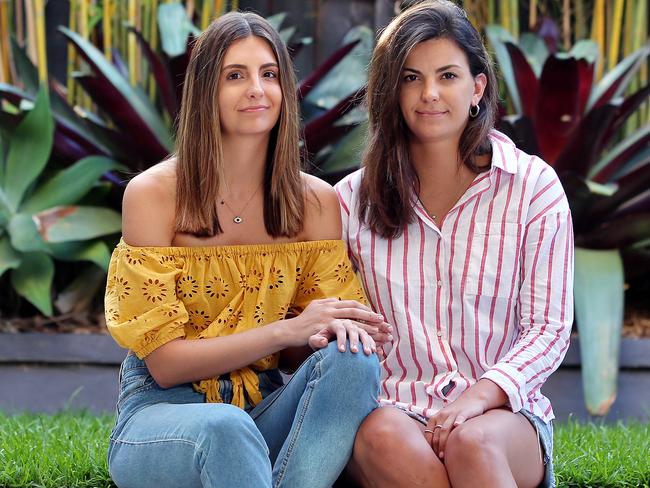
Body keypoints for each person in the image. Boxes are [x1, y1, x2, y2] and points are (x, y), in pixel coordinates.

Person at [104, 11, 391, 488]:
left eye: (269, 74)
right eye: (235, 75)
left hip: (267, 409)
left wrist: (327, 330)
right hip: (165, 416)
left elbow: (312, 349)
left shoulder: (314, 201)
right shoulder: (153, 194)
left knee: (354, 359)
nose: (257, 89)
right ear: (205, 93)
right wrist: (287, 331)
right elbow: (166, 363)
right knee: (226, 428)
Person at [335, 2, 573, 487]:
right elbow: (339, 324)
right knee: (379, 434)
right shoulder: (350, 201)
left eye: (447, 75)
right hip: (395, 412)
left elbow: (548, 329)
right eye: (410, 78)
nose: (429, 94)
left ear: (477, 87)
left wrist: (480, 395)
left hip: (503, 417)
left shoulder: (532, 187)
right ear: (392, 91)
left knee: (473, 443)